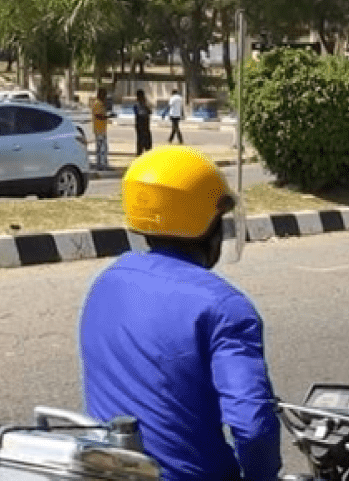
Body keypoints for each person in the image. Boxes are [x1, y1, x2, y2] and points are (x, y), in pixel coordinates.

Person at [79, 147, 281, 481]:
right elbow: (252, 426)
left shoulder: (107, 281)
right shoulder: (225, 309)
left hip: (111, 471)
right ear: (210, 225)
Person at [91, 87, 111, 170]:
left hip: (102, 129)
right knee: (101, 148)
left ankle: (103, 164)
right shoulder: (97, 104)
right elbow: (98, 115)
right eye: (104, 95)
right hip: (99, 130)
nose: (105, 97)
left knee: (103, 147)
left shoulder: (101, 104)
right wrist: (106, 116)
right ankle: (100, 165)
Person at [133, 89, 153, 155]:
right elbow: (136, 113)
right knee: (140, 137)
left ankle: (147, 149)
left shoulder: (146, 103)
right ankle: (139, 151)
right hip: (140, 120)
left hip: (145, 120)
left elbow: (150, 112)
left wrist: (145, 105)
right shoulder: (136, 104)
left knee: (146, 136)